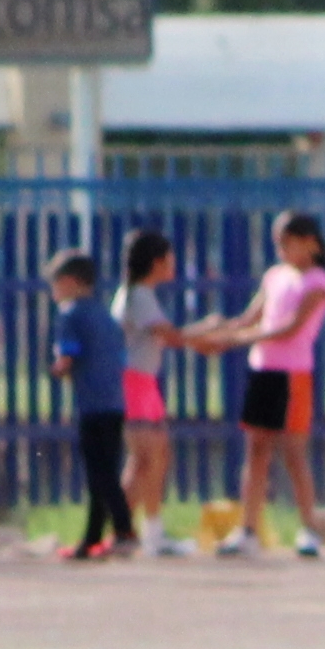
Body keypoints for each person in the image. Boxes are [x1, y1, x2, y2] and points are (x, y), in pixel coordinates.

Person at [186, 212, 325, 557]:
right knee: (257, 451)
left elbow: (288, 329)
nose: (281, 249)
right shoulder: (274, 277)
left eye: (288, 241)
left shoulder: (318, 282)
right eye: (278, 242)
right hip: (263, 371)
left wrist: (232, 341)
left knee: (294, 454)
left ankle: (309, 529)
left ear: (310, 242)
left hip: (293, 374)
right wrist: (216, 332)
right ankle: (248, 530)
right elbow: (250, 319)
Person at [47, 248, 134, 559]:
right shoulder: (106, 316)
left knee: (100, 473)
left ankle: (124, 529)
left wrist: (56, 369)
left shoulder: (70, 314)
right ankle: (92, 538)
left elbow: (67, 357)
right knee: (106, 468)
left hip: (91, 404)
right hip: (114, 401)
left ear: (69, 282)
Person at [114, 227, 184, 554]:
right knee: (144, 460)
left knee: (156, 457)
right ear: (157, 261)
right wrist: (214, 334)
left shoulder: (140, 294)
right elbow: (168, 334)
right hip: (133, 382)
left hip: (144, 381)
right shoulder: (138, 295)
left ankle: (152, 532)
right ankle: (121, 530)